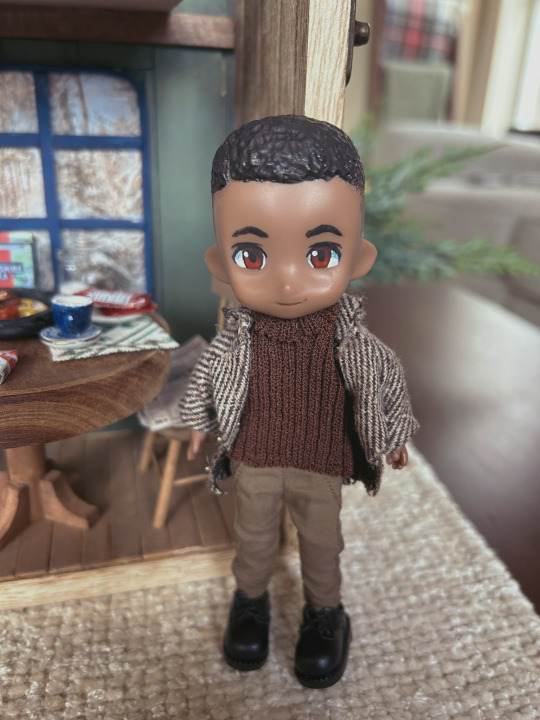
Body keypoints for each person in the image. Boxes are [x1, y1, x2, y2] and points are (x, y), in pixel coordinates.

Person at [180, 115, 419, 689]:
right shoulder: (237, 338)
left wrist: (392, 436)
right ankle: (250, 602)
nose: (288, 283)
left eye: (321, 255)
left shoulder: (355, 344)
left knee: (321, 544)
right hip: (256, 457)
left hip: (321, 460)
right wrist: (198, 420)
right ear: (221, 263)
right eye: (252, 257)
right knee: (254, 540)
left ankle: (325, 612)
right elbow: (209, 375)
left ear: (358, 258)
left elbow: (385, 381)